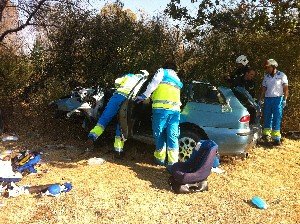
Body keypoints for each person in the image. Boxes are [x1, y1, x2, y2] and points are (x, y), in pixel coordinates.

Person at [88, 71, 148, 157]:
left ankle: (92, 136)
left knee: (105, 117)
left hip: (118, 96)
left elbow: (117, 82)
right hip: (129, 101)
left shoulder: (130, 76)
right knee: (121, 123)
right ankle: (118, 150)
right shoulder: (144, 81)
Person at [136, 59, 183, 166]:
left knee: (159, 134)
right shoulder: (177, 78)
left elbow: (154, 84)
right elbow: (166, 91)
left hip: (161, 111)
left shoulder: (162, 71)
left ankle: (159, 159)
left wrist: (144, 96)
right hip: (175, 112)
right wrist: (151, 96)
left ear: (165, 66)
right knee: (173, 136)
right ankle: (173, 164)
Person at [259, 59, 288, 145]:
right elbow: (263, 88)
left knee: (277, 117)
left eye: (268, 67)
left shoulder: (282, 75)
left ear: (273, 67)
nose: (267, 69)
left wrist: (285, 99)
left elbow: (286, 88)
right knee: (267, 116)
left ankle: (276, 138)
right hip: (268, 99)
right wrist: (260, 99)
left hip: (278, 99)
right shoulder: (266, 76)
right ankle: (266, 136)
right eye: (266, 68)